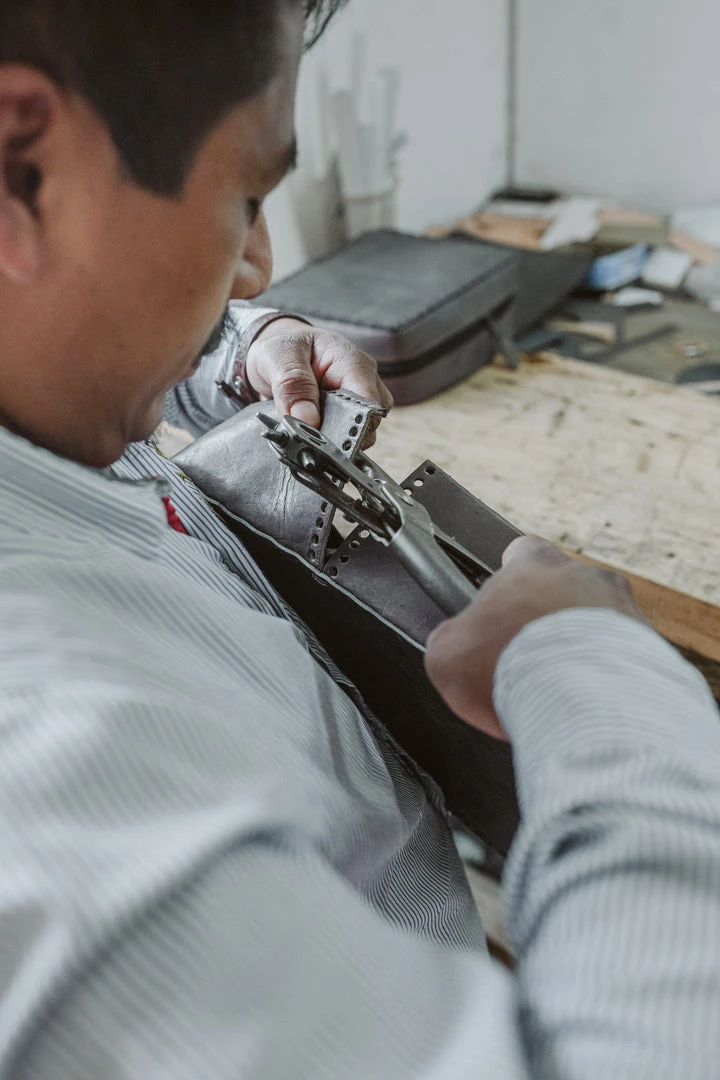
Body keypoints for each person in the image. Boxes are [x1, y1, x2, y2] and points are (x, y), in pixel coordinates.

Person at [0, 2, 719, 1078]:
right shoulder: (58, 784)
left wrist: (231, 351)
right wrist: (594, 674)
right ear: (22, 174)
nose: (257, 265)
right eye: (245, 197)